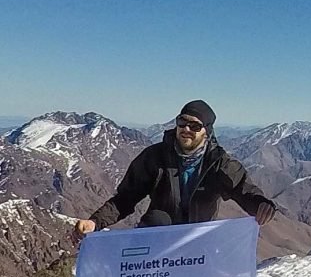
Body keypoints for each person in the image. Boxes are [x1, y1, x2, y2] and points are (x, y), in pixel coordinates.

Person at [74, 100, 277, 237]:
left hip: (196, 243)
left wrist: (261, 205)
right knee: (158, 219)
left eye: (195, 126)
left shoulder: (219, 163)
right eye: (182, 122)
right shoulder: (155, 157)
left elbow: (243, 190)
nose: (186, 129)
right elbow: (125, 198)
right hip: (157, 238)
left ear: (207, 131)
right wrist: (95, 222)